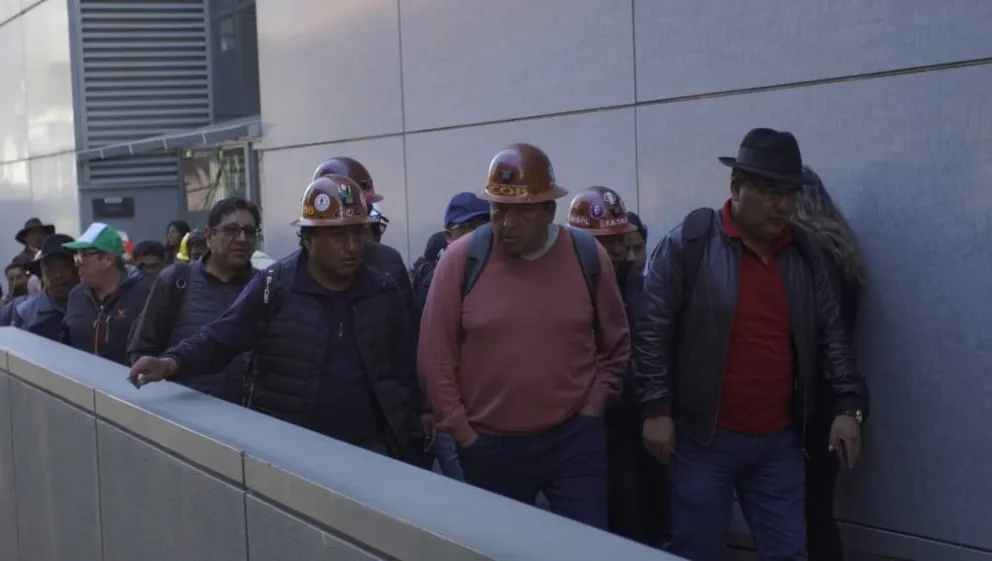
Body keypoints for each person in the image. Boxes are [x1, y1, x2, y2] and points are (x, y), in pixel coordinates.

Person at [634, 128, 870, 561]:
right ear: (736, 187)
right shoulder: (691, 242)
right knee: (697, 549)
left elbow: (833, 338)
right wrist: (655, 409)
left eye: (790, 193)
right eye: (769, 191)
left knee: (789, 552)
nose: (783, 205)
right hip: (704, 440)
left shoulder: (805, 255)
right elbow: (651, 331)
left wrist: (848, 407)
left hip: (778, 442)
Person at [128, 175, 428, 458]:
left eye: (357, 233)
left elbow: (404, 366)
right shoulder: (274, 286)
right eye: (337, 235)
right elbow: (221, 338)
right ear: (308, 238)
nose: (351, 246)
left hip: (371, 452)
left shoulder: (383, 292)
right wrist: (170, 363)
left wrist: (419, 414)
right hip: (291, 450)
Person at [418, 143, 630, 529]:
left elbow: (615, 342)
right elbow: (435, 355)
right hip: (488, 446)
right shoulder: (460, 260)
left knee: (589, 547)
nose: (507, 224)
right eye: (499, 211)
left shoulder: (587, 256)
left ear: (549, 210)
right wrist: (463, 433)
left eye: (521, 212)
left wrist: (593, 407)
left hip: (572, 443)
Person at [566, 186, 666, 546]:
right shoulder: (559, 286)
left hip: (632, 423)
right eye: (601, 241)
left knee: (639, 521)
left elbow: (651, 347)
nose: (612, 251)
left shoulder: (637, 286)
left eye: (616, 240)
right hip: (578, 428)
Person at [793, 166, 869, 561]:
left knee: (806, 514)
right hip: (837, 397)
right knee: (819, 509)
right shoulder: (841, 250)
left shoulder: (807, 255)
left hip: (810, 402)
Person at [128, 198, 261, 403]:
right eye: (231, 230)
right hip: (184, 416)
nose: (242, 239)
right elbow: (143, 348)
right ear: (209, 237)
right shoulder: (176, 281)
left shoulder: (265, 287)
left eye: (249, 232)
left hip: (249, 420)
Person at [412, 191, 490, 481]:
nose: (476, 234)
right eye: (467, 227)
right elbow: (426, 353)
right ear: (449, 234)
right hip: (450, 414)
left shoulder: (497, 274)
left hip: (490, 415)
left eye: (483, 225)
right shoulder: (436, 281)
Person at [311, 157, 413, 310]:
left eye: (360, 228)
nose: (352, 244)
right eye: (338, 232)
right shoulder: (279, 285)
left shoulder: (388, 266)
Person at [60, 223, 154, 365]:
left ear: (108, 259)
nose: (77, 263)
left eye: (84, 255)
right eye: (77, 256)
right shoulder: (76, 296)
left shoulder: (145, 293)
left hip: (128, 385)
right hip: (82, 384)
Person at [10, 234, 80, 340]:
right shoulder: (24, 313)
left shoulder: (95, 310)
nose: (58, 274)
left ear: (78, 270)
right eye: (50, 268)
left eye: (65, 266)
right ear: (42, 275)